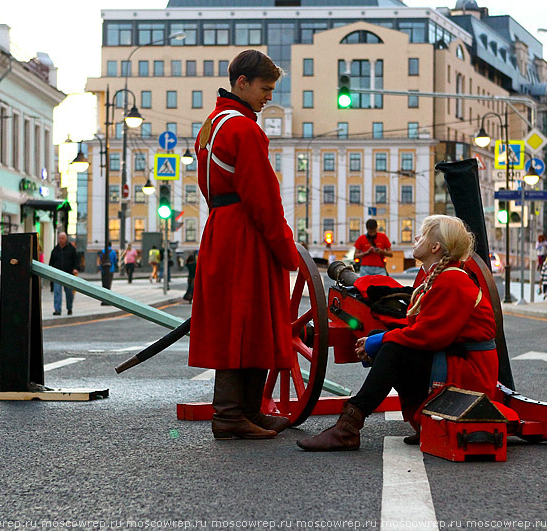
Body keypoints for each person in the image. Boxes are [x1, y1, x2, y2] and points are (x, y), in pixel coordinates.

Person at [297, 215, 498, 451]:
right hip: (458, 362)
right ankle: (423, 421)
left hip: (471, 375)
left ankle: (348, 427)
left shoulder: (453, 280)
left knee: (393, 350)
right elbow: (419, 330)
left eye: (422, 235)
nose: (415, 238)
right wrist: (378, 339)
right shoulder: (440, 277)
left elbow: (428, 336)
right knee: (389, 344)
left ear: (435, 247)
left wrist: (379, 341)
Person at [189, 49, 299, 440]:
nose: (269, 97)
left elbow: (207, 187)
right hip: (246, 234)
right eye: (265, 89)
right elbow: (265, 201)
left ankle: (245, 412)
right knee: (248, 322)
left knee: (238, 322)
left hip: (221, 226)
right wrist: (287, 252)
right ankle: (232, 415)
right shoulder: (246, 131)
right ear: (243, 83)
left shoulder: (210, 125)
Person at [48, 232, 80, 316]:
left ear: (66, 239)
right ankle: (57, 310)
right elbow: (51, 262)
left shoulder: (71, 249)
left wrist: (76, 269)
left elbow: (76, 260)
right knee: (57, 292)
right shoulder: (55, 250)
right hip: (57, 274)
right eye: (59, 238)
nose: (61, 240)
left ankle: (69, 308)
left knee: (69, 293)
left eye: (62, 238)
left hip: (68, 274)